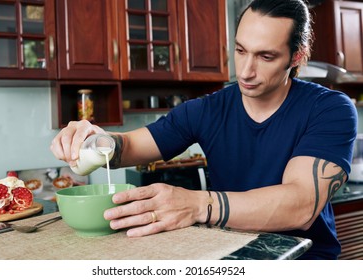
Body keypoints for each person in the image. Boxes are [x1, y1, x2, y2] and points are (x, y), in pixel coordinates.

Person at [50, 0, 357, 259]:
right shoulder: (207, 109)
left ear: (297, 56)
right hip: (231, 257)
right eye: (240, 50)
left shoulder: (329, 109)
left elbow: (300, 205)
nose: (246, 71)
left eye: (265, 56)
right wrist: (92, 140)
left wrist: (197, 205)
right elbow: (128, 146)